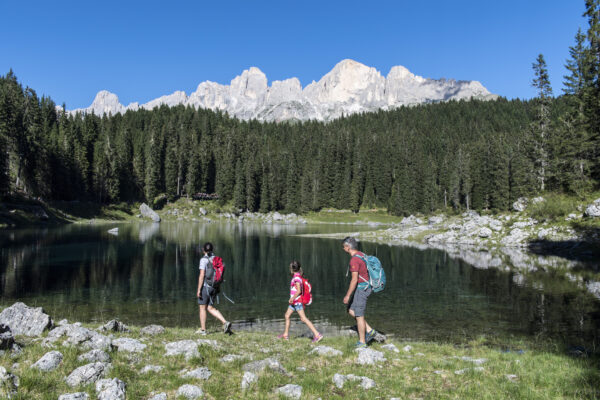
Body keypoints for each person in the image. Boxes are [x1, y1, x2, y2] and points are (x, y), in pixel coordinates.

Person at [342, 236, 377, 348]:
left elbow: (354, 279)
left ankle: (362, 342)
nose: (343, 249)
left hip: (363, 288)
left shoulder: (354, 260)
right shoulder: (361, 254)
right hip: (365, 287)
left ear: (348, 247)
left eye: (344, 247)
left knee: (359, 315)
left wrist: (347, 295)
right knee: (350, 309)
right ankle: (370, 330)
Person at [277, 260, 323, 343]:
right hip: (294, 302)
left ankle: (317, 334)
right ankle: (285, 335)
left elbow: (298, 291)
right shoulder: (296, 277)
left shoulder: (297, 278)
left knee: (303, 318)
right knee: (287, 315)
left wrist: (292, 298)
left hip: (297, 301)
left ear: (291, 269)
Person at [196, 242, 232, 335]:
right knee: (210, 307)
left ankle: (203, 330)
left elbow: (202, 275)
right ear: (212, 250)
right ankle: (225, 322)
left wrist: (199, 289)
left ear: (203, 250)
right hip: (215, 286)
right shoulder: (216, 258)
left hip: (206, 287)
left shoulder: (204, 260)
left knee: (202, 308)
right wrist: (218, 287)